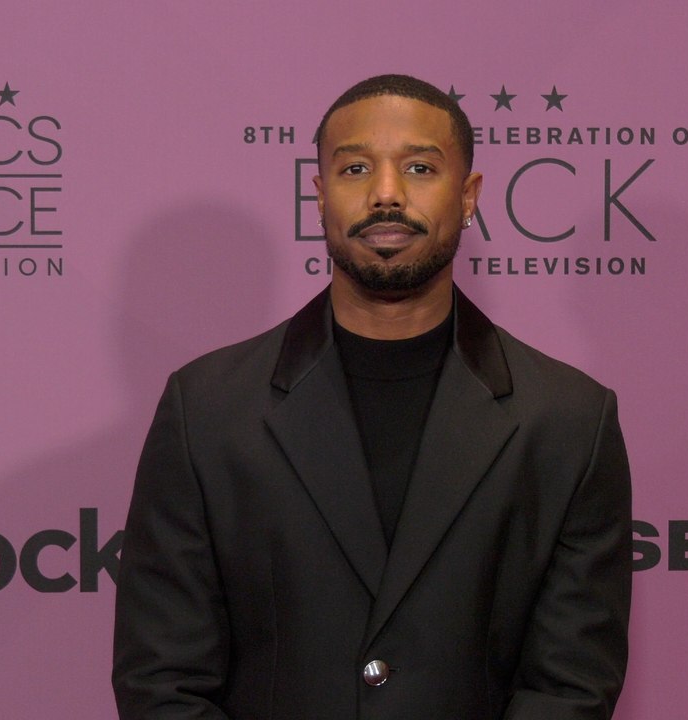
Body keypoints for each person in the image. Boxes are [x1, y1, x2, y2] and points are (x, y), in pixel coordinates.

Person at [113, 74, 631, 719]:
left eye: (419, 167)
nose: (386, 194)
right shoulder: (208, 410)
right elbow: (163, 681)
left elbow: (569, 686)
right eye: (355, 168)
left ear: (468, 196)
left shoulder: (568, 420)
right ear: (320, 194)